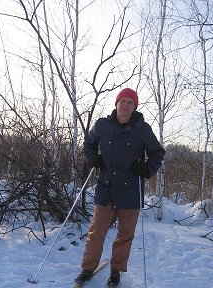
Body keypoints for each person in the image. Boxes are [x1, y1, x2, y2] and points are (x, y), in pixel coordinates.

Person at [75, 88, 165, 287]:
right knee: (96, 232)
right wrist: (92, 157)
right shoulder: (102, 125)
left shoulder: (143, 129)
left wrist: (146, 169)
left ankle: (116, 271)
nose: (125, 105)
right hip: (105, 187)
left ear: (134, 107)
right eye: (122, 101)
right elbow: (88, 144)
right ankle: (88, 268)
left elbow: (157, 153)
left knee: (125, 235)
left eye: (130, 102)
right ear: (116, 103)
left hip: (131, 190)